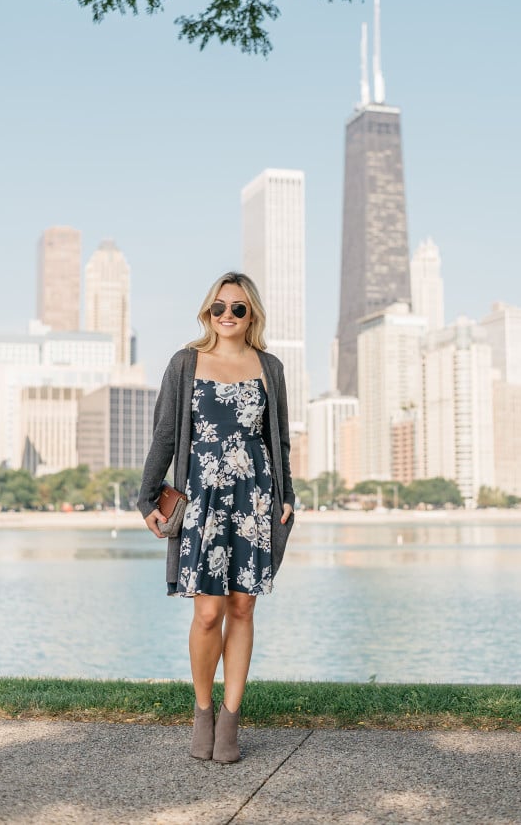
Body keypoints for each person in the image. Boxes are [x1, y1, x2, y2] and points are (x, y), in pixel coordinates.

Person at [137, 272, 295, 764]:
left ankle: (230, 720)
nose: (227, 315)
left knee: (243, 608)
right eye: (218, 307)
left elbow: (279, 439)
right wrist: (146, 498)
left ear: (253, 316)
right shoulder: (184, 364)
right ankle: (202, 711)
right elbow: (165, 435)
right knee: (207, 612)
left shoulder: (269, 366)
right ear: (207, 312)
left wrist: (287, 493)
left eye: (238, 308)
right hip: (202, 497)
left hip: (253, 497)